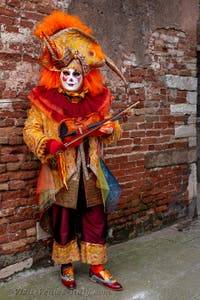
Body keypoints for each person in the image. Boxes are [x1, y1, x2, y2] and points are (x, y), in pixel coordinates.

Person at [23, 11, 127, 291]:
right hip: (61, 171)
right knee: (64, 217)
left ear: (86, 76)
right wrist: (48, 144)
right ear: (58, 74)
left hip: (91, 169)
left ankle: (96, 267)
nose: (70, 77)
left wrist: (109, 130)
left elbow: (114, 128)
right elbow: (30, 131)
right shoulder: (43, 102)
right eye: (66, 73)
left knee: (95, 214)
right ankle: (66, 265)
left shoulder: (98, 102)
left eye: (76, 73)